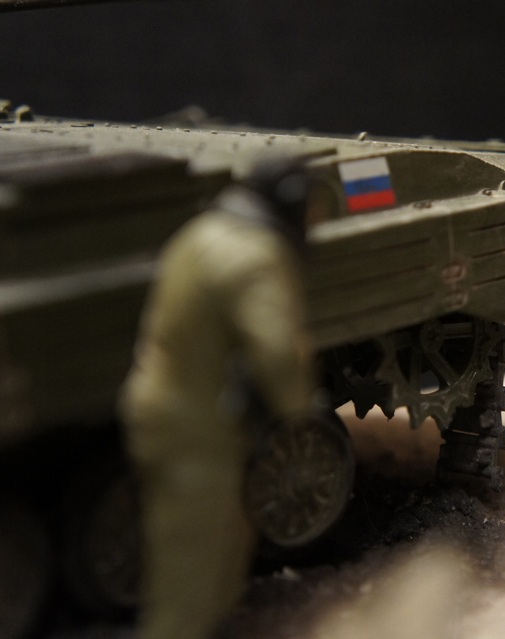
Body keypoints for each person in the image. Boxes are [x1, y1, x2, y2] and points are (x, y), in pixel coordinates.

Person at [119, 157, 316, 639]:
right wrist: (297, 406)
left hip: (164, 408)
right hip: (199, 430)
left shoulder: (199, 233)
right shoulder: (254, 255)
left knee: (214, 556)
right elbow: (277, 354)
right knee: (190, 586)